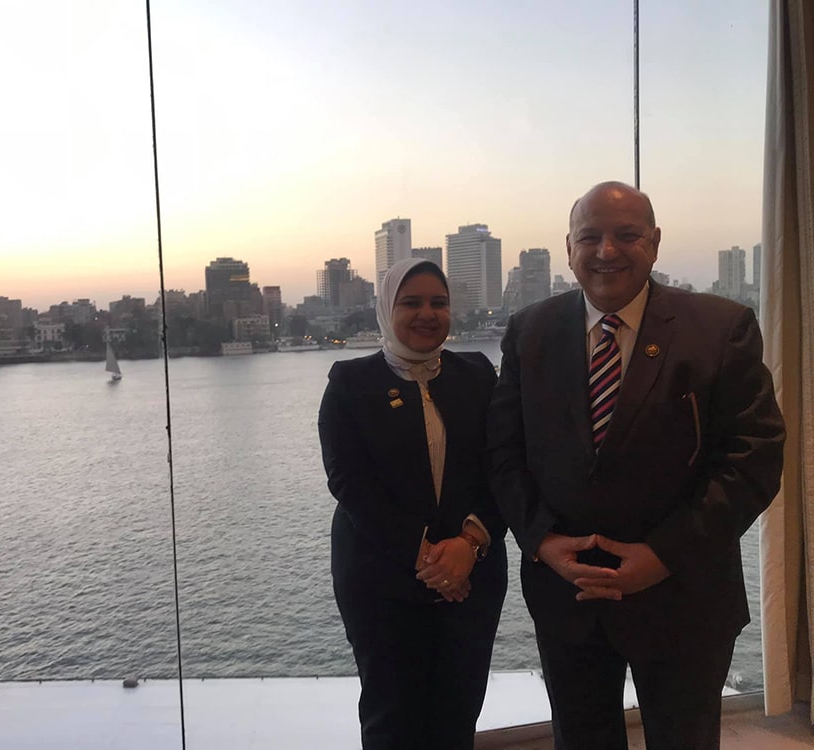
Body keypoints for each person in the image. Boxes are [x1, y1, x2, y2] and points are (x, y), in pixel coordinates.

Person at [487, 181, 786, 749]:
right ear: (569, 248)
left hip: (685, 596)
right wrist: (543, 541)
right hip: (568, 597)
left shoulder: (720, 328)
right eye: (590, 237)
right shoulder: (530, 331)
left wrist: (663, 555)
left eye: (626, 235)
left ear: (654, 242)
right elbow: (503, 453)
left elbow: (755, 457)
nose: (607, 251)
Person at [318, 257, 507, 750]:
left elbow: (504, 467)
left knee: (458, 712)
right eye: (412, 302)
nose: (427, 314)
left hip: (472, 577)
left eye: (438, 303)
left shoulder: (478, 376)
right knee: (391, 717)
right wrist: (428, 559)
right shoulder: (349, 384)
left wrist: (468, 546)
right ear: (387, 308)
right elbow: (349, 482)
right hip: (380, 580)